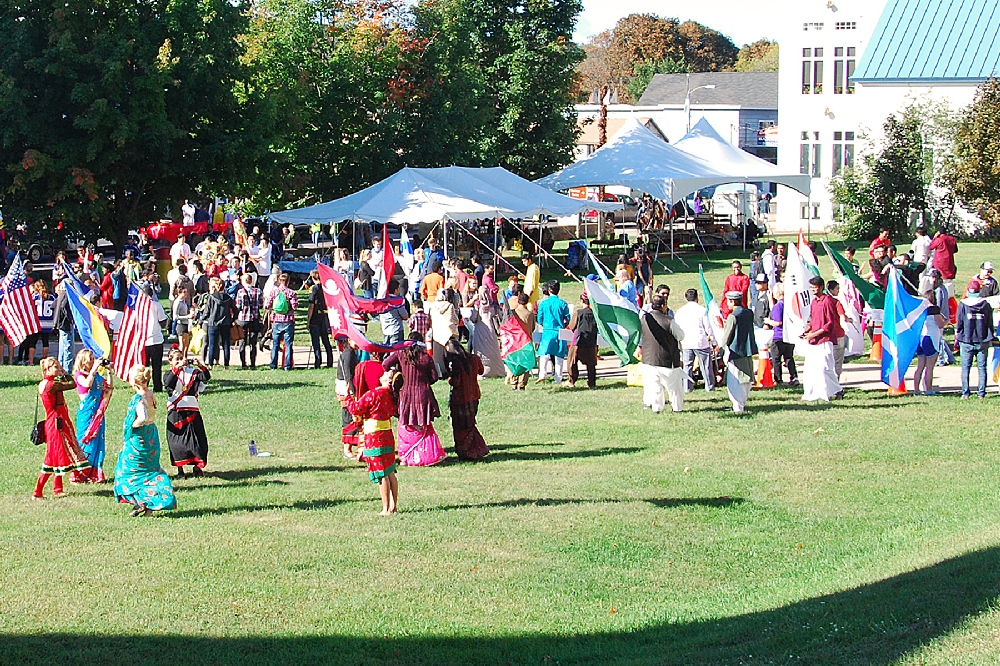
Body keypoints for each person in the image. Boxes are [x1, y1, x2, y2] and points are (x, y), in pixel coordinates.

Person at [114, 365, 177, 517]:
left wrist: (133, 425)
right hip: (152, 435)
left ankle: (141, 502)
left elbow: (142, 417)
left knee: (128, 470)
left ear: (134, 381)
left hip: (139, 438)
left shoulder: (138, 398)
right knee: (150, 470)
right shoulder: (151, 393)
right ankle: (146, 505)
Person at [342, 369, 403, 515]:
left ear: (387, 381)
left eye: (386, 373)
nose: (382, 373)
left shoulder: (375, 394)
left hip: (375, 436)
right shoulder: (392, 395)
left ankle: (385, 508)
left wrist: (347, 396)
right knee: (390, 472)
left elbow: (356, 409)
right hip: (387, 435)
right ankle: (393, 506)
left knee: (381, 472)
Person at [33, 358, 91, 498]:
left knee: (56, 454)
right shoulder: (52, 385)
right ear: (47, 369)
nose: (58, 369)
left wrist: (60, 373)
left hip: (55, 421)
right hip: (56, 423)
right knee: (52, 456)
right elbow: (72, 384)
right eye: (55, 367)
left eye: (59, 366)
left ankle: (57, 488)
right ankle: (37, 491)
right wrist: (65, 373)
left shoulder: (45, 383)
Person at [383, 337, 446, 467]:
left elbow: (385, 364)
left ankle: (407, 454)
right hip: (423, 394)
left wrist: (398, 373)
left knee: (407, 424)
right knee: (423, 425)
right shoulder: (426, 358)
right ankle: (426, 455)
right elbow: (434, 377)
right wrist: (424, 381)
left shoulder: (400, 354)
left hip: (405, 394)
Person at [163, 349, 211, 477]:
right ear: (170, 362)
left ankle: (197, 467)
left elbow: (206, 377)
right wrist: (177, 368)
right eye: (176, 359)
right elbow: (168, 384)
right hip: (176, 411)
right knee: (177, 442)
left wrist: (200, 365)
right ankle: (180, 469)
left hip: (192, 410)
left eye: (181, 358)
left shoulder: (192, 373)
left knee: (197, 439)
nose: (180, 361)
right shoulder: (169, 374)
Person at [639, 294, 686, 413]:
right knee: (674, 389)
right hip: (667, 360)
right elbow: (681, 335)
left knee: (655, 388)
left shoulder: (644, 319)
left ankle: (657, 408)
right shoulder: (669, 321)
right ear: (663, 306)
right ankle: (677, 408)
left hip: (649, 359)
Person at [72, 350, 113, 483]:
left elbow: (109, 388)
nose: (92, 360)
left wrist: (109, 372)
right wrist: (95, 369)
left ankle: (94, 473)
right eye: (89, 359)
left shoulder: (97, 376)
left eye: (92, 358)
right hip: (87, 414)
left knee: (97, 441)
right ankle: (78, 473)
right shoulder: (79, 375)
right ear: (82, 361)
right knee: (85, 440)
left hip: (98, 414)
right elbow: (87, 384)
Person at [444, 339, 489, 461]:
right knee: (470, 424)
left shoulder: (456, 363)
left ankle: (467, 452)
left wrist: (450, 378)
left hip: (460, 399)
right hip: (474, 396)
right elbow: (481, 371)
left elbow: (455, 382)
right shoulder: (473, 358)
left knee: (461, 427)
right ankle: (477, 448)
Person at [801, 277, 843, 402]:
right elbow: (813, 320)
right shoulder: (814, 302)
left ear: (821, 287)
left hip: (825, 340)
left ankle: (836, 389)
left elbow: (829, 324)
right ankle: (812, 393)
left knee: (825, 368)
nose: (813, 290)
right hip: (814, 341)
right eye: (811, 287)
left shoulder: (828, 301)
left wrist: (813, 334)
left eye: (815, 287)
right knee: (811, 369)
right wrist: (807, 331)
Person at [956, 279, 995, 400]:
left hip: (966, 340)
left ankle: (965, 393)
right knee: (982, 368)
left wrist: (958, 335)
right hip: (982, 339)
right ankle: (981, 393)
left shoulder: (963, 304)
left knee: (965, 368)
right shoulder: (985, 305)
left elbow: (959, 323)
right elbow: (989, 322)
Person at [675, 288, 716, 393]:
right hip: (700, 341)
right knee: (705, 365)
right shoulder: (702, 310)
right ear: (697, 298)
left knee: (687, 366)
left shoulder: (680, 311)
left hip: (686, 342)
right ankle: (709, 386)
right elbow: (708, 327)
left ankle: (687, 387)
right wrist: (713, 339)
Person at [721, 292, 757, 413]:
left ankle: (738, 406)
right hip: (748, 349)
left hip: (735, 351)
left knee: (735, 380)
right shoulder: (749, 313)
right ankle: (741, 403)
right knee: (746, 378)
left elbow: (727, 336)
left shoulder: (733, 316)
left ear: (732, 301)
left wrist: (721, 349)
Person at [535, 280, 569, 384]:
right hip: (559, 331)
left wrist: (544, 324)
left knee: (544, 353)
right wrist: (564, 325)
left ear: (549, 290)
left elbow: (539, 318)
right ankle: (558, 378)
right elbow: (567, 318)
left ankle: (542, 373)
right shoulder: (563, 303)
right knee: (559, 355)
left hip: (547, 331)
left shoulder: (544, 303)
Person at [913, 291, 946, 395]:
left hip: (920, 337)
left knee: (920, 366)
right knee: (930, 367)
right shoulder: (934, 309)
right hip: (930, 337)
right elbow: (940, 324)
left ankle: (916, 389)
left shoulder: (919, 310)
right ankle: (928, 389)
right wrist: (947, 321)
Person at [264, 273, 298, 371]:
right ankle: (287, 366)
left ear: (279, 281)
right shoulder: (291, 293)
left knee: (275, 344)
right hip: (288, 320)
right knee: (288, 344)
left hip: (276, 320)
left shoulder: (274, 292)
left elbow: (267, 305)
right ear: (288, 281)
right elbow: (295, 306)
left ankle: (273, 365)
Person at [565, 293, 598, 389]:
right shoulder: (595, 314)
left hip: (578, 341)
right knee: (591, 364)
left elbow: (571, 326)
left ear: (581, 301)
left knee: (572, 361)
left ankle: (572, 380)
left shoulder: (578, 313)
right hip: (591, 341)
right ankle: (592, 383)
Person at [337, 337, 361, 458]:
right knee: (349, 417)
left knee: (353, 417)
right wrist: (351, 391)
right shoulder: (347, 355)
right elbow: (347, 374)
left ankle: (352, 446)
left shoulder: (352, 353)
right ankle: (347, 449)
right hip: (346, 387)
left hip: (350, 386)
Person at [426, 287, 459, 377]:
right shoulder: (449, 305)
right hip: (448, 332)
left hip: (437, 331)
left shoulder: (432, 306)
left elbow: (430, 318)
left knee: (438, 354)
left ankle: (439, 371)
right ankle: (450, 369)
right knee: (449, 353)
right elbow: (454, 318)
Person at [204, 277, 236, 368]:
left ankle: (210, 364)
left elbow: (207, 311)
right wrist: (232, 320)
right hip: (225, 323)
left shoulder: (212, 297)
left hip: (213, 323)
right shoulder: (228, 298)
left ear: (217, 287)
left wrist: (201, 319)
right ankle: (226, 364)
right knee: (226, 344)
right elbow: (235, 310)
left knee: (212, 344)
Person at [508, 292, 536, 390]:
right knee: (525, 363)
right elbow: (533, 328)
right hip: (526, 341)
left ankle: (513, 382)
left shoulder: (513, 313)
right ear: (527, 302)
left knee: (514, 361)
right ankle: (522, 383)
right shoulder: (530, 315)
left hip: (515, 341)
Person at [307, 268, 334, 368]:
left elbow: (311, 305)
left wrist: (308, 320)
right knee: (325, 340)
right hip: (325, 315)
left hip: (315, 316)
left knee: (316, 341)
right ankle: (329, 361)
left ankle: (318, 362)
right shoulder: (325, 288)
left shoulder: (314, 289)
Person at [235, 273, 263, 370]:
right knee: (253, 342)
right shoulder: (258, 291)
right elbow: (260, 305)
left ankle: (243, 363)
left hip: (243, 319)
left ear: (244, 281)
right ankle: (253, 363)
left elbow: (238, 306)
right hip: (254, 318)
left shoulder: (240, 292)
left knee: (242, 341)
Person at [143, 283, 168, 392]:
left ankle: (144, 385)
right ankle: (157, 386)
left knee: (144, 366)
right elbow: (163, 321)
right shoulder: (156, 305)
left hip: (143, 341)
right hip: (156, 339)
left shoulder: (138, 307)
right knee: (156, 366)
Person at [928, 229, 958, 298]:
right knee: (949, 277)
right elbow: (955, 250)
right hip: (950, 260)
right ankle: (950, 293)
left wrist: (935, 237)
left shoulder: (939, 239)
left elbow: (931, 246)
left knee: (940, 276)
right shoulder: (951, 239)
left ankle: (941, 293)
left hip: (940, 261)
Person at [53, 281, 75, 373]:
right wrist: (70, 318)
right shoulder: (67, 295)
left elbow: (53, 305)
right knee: (68, 347)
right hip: (65, 324)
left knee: (62, 348)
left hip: (60, 323)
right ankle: (67, 370)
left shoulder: (60, 295)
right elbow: (63, 307)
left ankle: (60, 368)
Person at [378, 280, 408, 347]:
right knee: (396, 353)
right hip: (396, 330)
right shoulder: (397, 301)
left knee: (386, 351)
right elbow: (405, 316)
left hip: (385, 330)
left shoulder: (382, 300)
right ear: (396, 290)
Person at [172, 286, 193, 356]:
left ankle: (185, 358)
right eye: (184, 292)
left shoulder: (184, 301)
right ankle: (180, 358)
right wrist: (187, 316)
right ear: (179, 293)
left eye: (186, 292)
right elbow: (175, 316)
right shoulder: (177, 302)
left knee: (187, 344)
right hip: (181, 325)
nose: (186, 294)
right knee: (182, 344)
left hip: (186, 324)